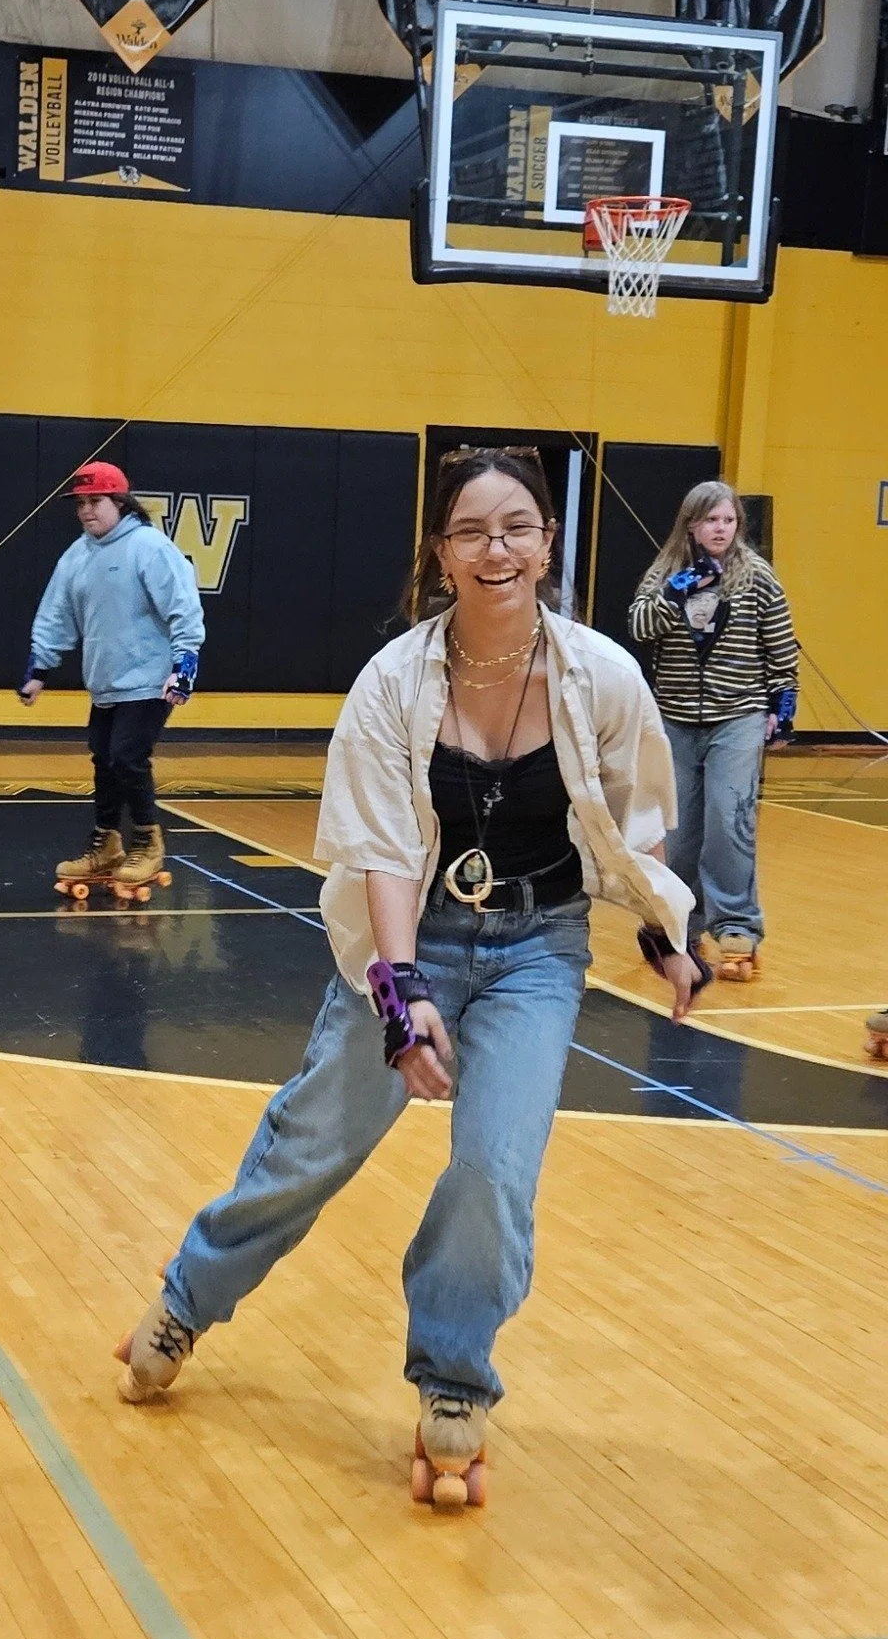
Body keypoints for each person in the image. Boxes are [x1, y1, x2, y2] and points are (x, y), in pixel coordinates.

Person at [113, 448, 703, 1509]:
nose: (496, 549)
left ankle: (454, 1380)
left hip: (537, 949)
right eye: (472, 530)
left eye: (517, 527)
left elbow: (633, 823)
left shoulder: (602, 676)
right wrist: (401, 998)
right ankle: (188, 1297)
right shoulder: (393, 683)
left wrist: (663, 936)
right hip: (411, 936)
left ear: (548, 543)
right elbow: (384, 852)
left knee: (494, 1172)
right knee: (314, 1147)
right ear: (440, 552)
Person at [629, 482, 798, 982]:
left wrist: (783, 709)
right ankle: (680, 926)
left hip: (738, 717)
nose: (720, 529)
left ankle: (738, 931)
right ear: (691, 525)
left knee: (729, 823)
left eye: (728, 520)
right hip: (676, 719)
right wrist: (678, 590)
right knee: (678, 834)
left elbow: (782, 646)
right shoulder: (666, 572)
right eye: (710, 520)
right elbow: (639, 627)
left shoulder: (757, 576)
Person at [19, 462, 205, 893]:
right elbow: (56, 613)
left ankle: (147, 842)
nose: (86, 510)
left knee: (127, 756)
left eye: (96, 501)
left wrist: (184, 666)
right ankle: (106, 844)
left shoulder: (149, 548)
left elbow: (183, 605)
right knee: (103, 759)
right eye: (80, 503)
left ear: (120, 503)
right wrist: (39, 668)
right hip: (105, 681)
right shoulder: (77, 556)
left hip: (151, 680)